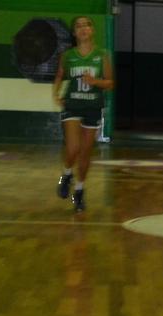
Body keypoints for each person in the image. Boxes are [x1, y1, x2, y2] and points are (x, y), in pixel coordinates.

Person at [53, 16, 113, 213]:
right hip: (72, 106)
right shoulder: (68, 56)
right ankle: (66, 175)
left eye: (87, 24)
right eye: (78, 26)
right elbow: (60, 76)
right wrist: (56, 93)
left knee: (85, 153)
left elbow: (110, 83)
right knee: (73, 149)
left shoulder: (102, 55)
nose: (83, 28)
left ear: (92, 30)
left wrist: (95, 82)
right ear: (74, 32)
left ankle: (79, 191)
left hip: (93, 107)